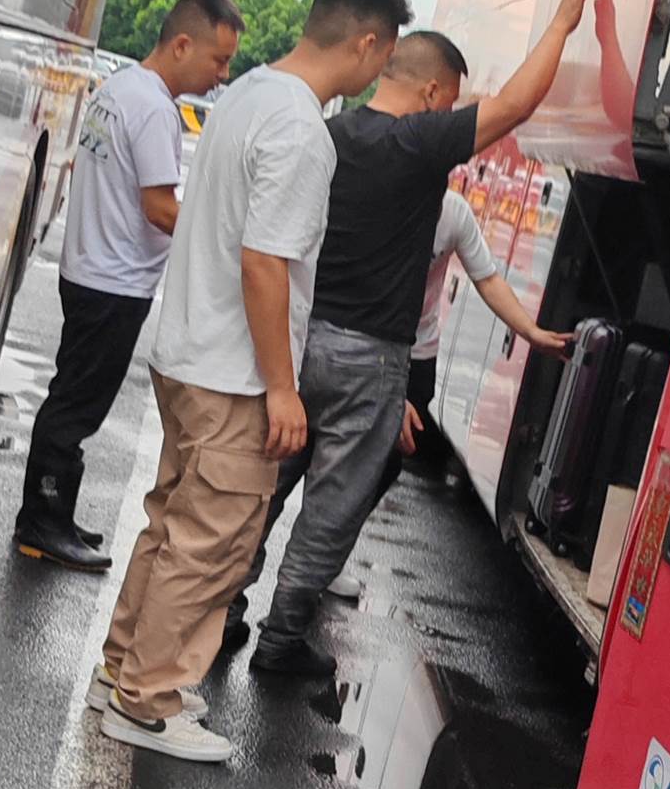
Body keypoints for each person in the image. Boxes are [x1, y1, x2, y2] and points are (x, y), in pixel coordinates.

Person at [95, 0, 411, 764]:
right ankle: (148, 698)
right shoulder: (302, 131)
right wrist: (282, 388)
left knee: (170, 525)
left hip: (185, 352)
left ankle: (124, 670)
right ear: (369, 44)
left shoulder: (246, 96)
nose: (382, 71)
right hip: (232, 373)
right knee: (212, 543)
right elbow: (267, 263)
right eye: (386, 56)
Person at [244, 0, 600, 682]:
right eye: (453, 96)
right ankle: (280, 641)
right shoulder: (416, 148)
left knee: (262, 487)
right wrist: (562, 20)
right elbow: (517, 104)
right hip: (370, 359)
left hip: (299, 341)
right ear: (437, 93)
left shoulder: (327, 134)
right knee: (332, 508)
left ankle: (220, 613)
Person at [222, 181, 571, 640]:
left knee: (357, 485)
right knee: (280, 480)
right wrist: (382, 394)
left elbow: (486, 277)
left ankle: (289, 611)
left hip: (407, 356)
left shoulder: (450, 212)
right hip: (344, 349)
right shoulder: (361, 193)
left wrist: (532, 332)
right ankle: (237, 613)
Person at [15, 0, 243, 569]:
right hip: (113, 283)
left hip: (90, 268)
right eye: (218, 59)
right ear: (182, 43)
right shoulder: (153, 109)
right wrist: (226, 242)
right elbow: (160, 207)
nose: (222, 75)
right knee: (76, 407)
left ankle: (55, 516)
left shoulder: (119, 87)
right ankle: (41, 523)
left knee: (73, 398)